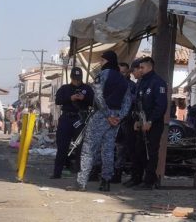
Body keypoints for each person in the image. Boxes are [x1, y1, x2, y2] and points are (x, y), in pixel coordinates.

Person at [77, 51, 131, 192]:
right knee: (108, 150)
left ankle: (81, 182)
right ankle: (106, 181)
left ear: (107, 60)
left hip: (101, 115)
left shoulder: (102, 75)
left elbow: (98, 96)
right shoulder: (123, 79)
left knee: (88, 148)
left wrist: (107, 115)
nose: (100, 63)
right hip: (115, 118)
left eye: (102, 60)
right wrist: (119, 117)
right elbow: (127, 101)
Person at [125, 56, 167, 189]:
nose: (140, 70)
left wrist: (150, 121)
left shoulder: (158, 82)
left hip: (153, 124)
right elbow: (138, 102)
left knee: (151, 152)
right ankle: (137, 178)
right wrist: (137, 121)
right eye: (139, 67)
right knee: (139, 151)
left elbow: (161, 106)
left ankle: (149, 181)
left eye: (142, 67)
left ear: (149, 67)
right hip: (141, 122)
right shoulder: (141, 82)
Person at [52, 67, 94, 179]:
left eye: (78, 79)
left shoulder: (87, 88)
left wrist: (84, 98)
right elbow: (58, 101)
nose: (77, 81)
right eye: (75, 79)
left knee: (81, 147)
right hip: (66, 118)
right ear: (71, 77)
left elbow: (94, 102)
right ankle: (57, 172)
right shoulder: (64, 88)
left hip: (80, 119)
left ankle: (80, 173)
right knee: (62, 146)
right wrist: (70, 98)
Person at [112, 61, 139, 184]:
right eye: (119, 72)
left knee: (125, 149)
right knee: (113, 148)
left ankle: (121, 174)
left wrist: (126, 96)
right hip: (113, 120)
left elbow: (136, 100)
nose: (121, 74)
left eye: (124, 72)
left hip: (127, 121)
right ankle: (111, 173)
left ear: (128, 73)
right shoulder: (113, 84)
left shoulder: (132, 86)